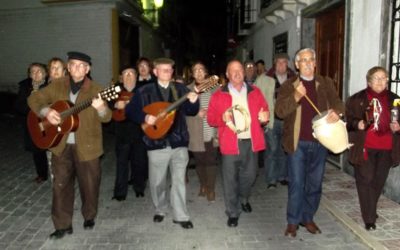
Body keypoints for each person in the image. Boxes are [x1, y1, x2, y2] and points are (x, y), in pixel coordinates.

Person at [28, 51, 112, 239]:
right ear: (68, 66)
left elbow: (107, 118)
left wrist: (101, 109)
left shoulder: (97, 90)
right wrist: (46, 111)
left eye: (82, 65)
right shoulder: (57, 85)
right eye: (73, 64)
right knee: (60, 186)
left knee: (89, 185)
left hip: (88, 147)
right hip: (60, 145)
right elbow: (34, 99)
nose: (77, 68)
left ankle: (89, 216)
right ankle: (62, 225)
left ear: (88, 69)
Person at [275, 48, 344, 237]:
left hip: (320, 142)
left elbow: (339, 103)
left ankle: (308, 218)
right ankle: (292, 221)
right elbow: (279, 111)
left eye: (310, 60)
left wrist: (336, 112)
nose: (306, 63)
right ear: (296, 65)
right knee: (297, 183)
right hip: (297, 143)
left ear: (315, 63)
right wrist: (296, 96)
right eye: (302, 60)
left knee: (315, 184)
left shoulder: (325, 82)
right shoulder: (289, 85)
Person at [125, 57, 199, 229]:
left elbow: (190, 111)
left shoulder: (180, 89)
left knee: (179, 180)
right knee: (157, 181)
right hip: (156, 142)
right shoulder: (144, 91)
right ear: (155, 71)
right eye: (163, 69)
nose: (167, 72)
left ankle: (181, 215)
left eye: (170, 69)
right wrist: (145, 117)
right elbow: (130, 110)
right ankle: (160, 208)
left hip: (178, 140)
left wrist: (194, 102)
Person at [207, 60, 269, 227]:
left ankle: (243, 198)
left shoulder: (255, 91)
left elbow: (265, 109)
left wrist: (265, 117)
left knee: (250, 175)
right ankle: (233, 212)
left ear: (244, 72)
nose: (236, 73)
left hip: (251, 142)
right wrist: (222, 118)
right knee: (230, 179)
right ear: (227, 75)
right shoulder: (218, 94)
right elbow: (211, 119)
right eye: (232, 70)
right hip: (230, 143)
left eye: (239, 70)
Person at [345, 66, 400, 231]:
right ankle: (369, 218)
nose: (380, 81)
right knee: (365, 179)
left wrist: (398, 127)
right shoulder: (356, 99)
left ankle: (370, 209)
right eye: (376, 78)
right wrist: (357, 123)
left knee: (378, 181)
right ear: (369, 80)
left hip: (387, 147)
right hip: (365, 146)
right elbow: (347, 122)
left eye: (384, 78)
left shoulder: (395, 99)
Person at [111, 66, 147, 201]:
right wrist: (115, 105)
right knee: (121, 163)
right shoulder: (115, 89)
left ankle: (139, 188)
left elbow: (149, 105)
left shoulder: (142, 90)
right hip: (122, 132)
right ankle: (120, 192)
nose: (128, 76)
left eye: (131, 74)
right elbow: (104, 102)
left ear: (136, 76)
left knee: (139, 162)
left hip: (139, 131)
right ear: (121, 76)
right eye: (126, 74)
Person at [186, 62, 218, 202]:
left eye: (201, 69)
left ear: (205, 72)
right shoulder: (187, 89)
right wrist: (195, 113)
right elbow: (183, 111)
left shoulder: (214, 88)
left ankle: (210, 188)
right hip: (195, 131)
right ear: (192, 74)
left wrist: (210, 112)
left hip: (211, 130)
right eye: (195, 70)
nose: (198, 72)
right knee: (199, 161)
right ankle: (203, 185)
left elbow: (221, 107)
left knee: (211, 160)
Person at [15, 62, 49, 184]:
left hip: (49, 122)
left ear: (45, 73)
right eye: (32, 72)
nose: (35, 74)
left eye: (39, 71)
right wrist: (31, 103)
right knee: (37, 149)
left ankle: (58, 174)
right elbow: (19, 106)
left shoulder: (51, 85)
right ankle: (42, 174)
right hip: (33, 122)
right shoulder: (25, 86)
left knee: (52, 147)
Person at [254, 65, 285, 189]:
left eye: (284, 62)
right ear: (275, 62)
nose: (281, 64)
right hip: (271, 120)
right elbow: (254, 96)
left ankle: (282, 176)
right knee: (271, 149)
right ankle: (271, 179)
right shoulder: (264, 78)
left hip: (285, 120)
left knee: (283, 149)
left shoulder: (292, 77)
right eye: (279, 61)